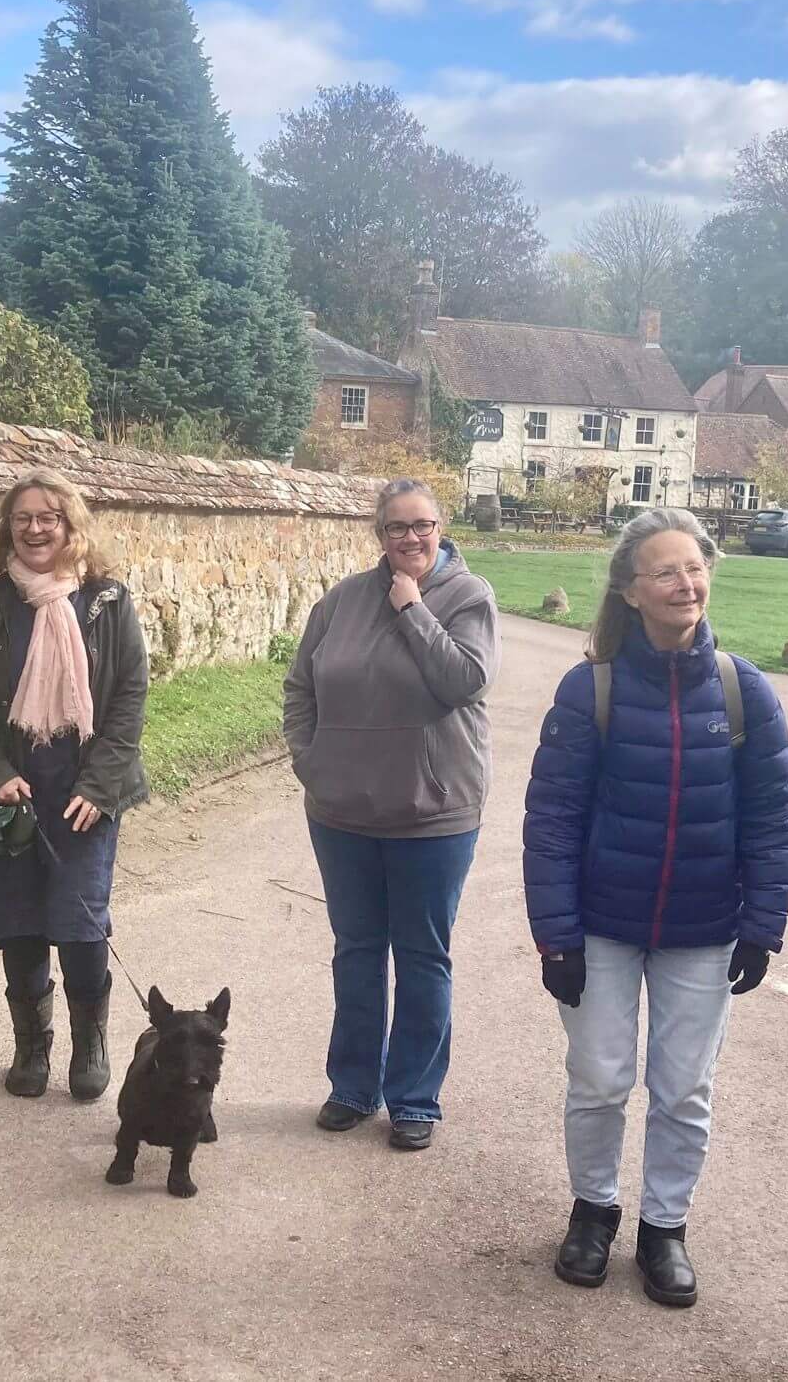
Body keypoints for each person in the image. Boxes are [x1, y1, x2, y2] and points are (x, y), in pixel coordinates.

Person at [523, 507, 788, 1308]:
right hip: (603, 925)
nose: (687, 583)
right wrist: (556, 936)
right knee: (601, 1078)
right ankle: (594, 1211)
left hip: (704, 931)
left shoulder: (743, 690)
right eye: (667, 571)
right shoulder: (592, 688)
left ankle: (664, 1229)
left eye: (695, 568)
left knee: (684, 1089)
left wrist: (762, 924)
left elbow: (774, 813)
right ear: (632, 591)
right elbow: (552, 818)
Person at [283, 478, 499, 1152]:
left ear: (441, 528)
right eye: (396, 528)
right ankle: (352, 1086)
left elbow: (464, 680)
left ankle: (414, 1100)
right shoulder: (342, 600)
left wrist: (412, 609)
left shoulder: (469, 596)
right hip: (342, 812)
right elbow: (300, 686)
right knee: (356, 952)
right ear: (377, 533)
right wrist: (310, 760)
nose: (410, 538)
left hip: (432, 815)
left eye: (423, 525)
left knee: (423, 956)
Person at [0, 469, 150, 1101]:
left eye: (48, 518)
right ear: (9, 526)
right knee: (21, 920)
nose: (35, 529)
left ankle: (91, 1043)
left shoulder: (108, 601)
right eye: (23, 518)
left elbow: (130, 698)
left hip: (84, 788)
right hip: (14, 788)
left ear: (71, 526)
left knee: (82, 920)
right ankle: (32, 1046)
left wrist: (101, 783)